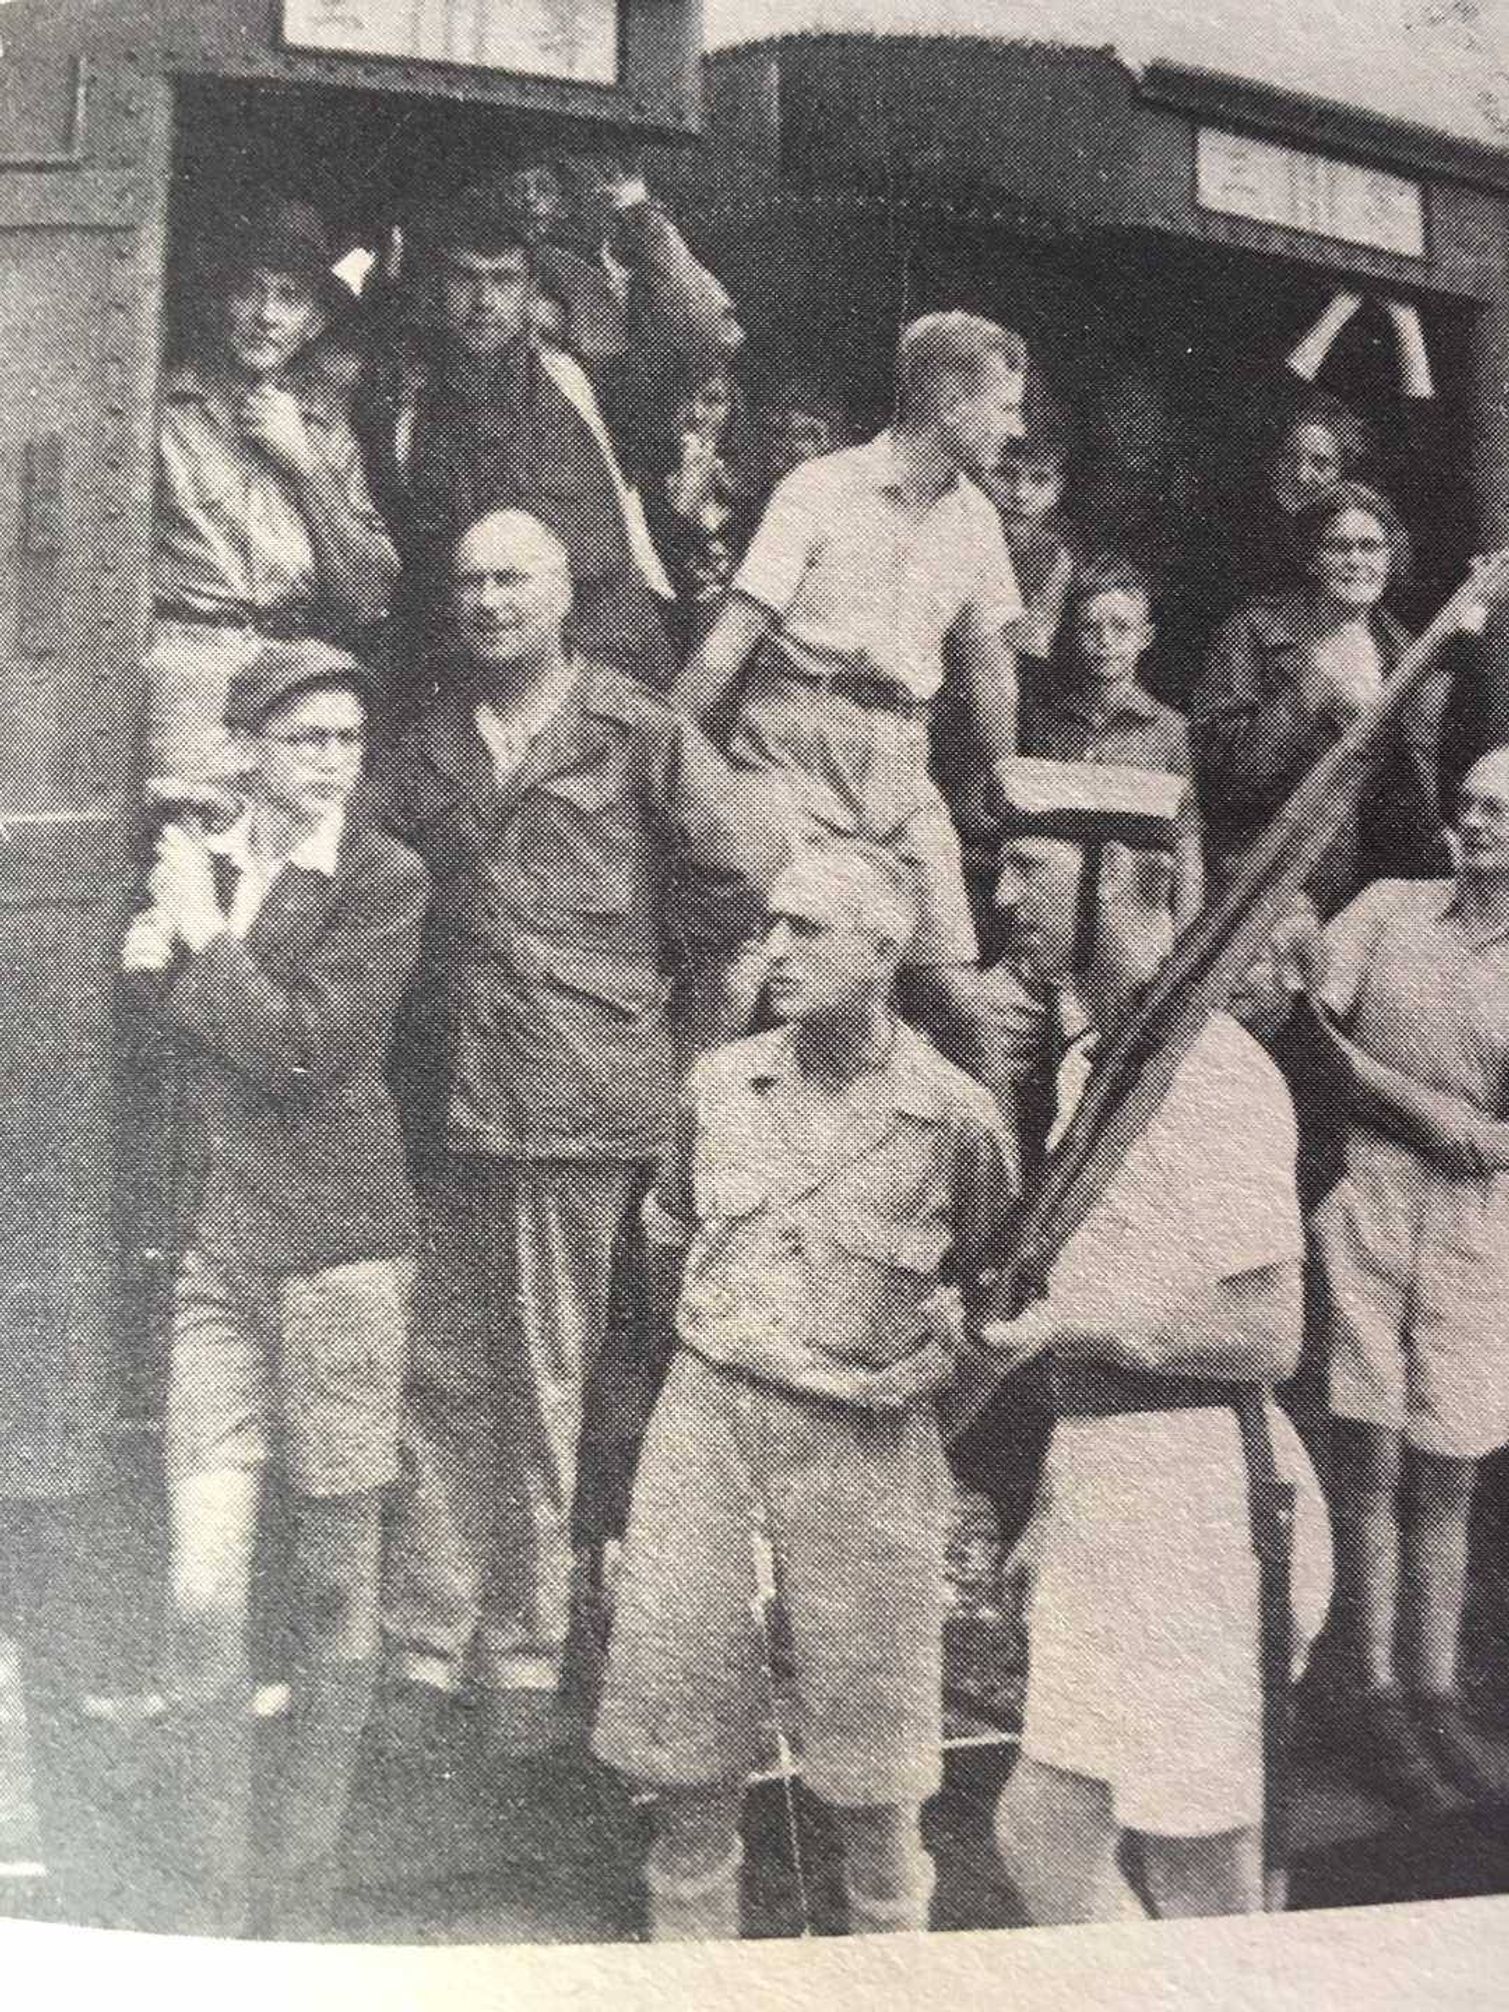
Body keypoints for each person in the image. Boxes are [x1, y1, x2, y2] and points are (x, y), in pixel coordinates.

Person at [367, 509, 779, 1739]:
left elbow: (743, 875)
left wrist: (652, 994)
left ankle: (526, 1656)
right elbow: (364, 858)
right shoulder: (428, 738)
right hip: (445, 1095)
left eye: (513, 579)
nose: (489, 600)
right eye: (471, 581)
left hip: (574, 1095)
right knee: (438, 1378)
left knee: (545, 1383)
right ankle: (425, 1645)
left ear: (561, 597)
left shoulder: (638, 729)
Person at [592, 848, 1016, 1940]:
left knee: (878, 1788)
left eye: (810, 928)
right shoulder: (721, 1085)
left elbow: (992, 1302)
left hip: (864, 1444)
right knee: (686, 1771)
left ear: (883, 951)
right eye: (773, 923)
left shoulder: (955, 1116)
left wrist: (907, 1395)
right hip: (711, 1423)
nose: (776, 949)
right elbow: (664, 1247)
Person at [118, 640, 429, 1936]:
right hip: (221, 1263)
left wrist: (196, 938)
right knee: (202, 1596)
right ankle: (215, 1904)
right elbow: (148, 1040)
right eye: (307, 740)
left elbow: (305, 1056)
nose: (333, 764)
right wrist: (168, 928)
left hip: (344, 1258)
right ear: (245, 748)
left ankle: (297, 1895)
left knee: (336, 1588)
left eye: (349, 740)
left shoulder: (382, 879)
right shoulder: (203, 861)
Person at [983, 796, 1330, 1924]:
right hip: (1108, 1486)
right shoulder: (1097, 1067)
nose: (1001, 899)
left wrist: (1082, 1330)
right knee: (1041, 1836)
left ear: (1120, 879)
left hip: (1200, 1503)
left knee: (1198, 1866)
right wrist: (1053, 1496)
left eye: (1028, 869)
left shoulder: (1217, 1072)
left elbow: (1269, 1330)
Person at [671, 310, 1028, 1109]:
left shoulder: (978, 519)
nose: (1018, 428)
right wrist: (655, 758)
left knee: (966, 1012)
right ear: (947, 402)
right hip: (791, 749)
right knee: (744, 977)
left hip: (902, 762)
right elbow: (728, 647)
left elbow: (992, 677)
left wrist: (1014, 814)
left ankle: (1005, 1222)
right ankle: (670, 1193)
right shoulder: (819, 490)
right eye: (1005, 408)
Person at [1304, 746, 1509, 1812]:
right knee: (1370, 1453)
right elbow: (1315, 1030)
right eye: (1470, 803)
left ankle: (1435, 1696)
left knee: (1449, 1467)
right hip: (1373, 1197)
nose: (1477, 824)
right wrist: (1419, 1104)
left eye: (1501, 811)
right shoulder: (1387, 908)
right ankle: (1372, 1693)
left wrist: (1476, 1133)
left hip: (1482, 1229)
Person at [356, 168, 735, 702]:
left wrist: (637, 211)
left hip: (607, 665)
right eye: (466, 279)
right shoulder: (403, 399)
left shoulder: (579, 380)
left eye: (503, 280)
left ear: (530, 290)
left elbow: (705, 338)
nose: (484, 302)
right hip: (470, 671)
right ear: (441, 287)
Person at [151, 198, 398, 783]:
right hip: (191, 662)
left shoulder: (325, 430)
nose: (266, 316)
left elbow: (371, 594)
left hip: (295, 666)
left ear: (314, 322)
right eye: (251, 292)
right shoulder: (163, 409)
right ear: (222, 302)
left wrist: (305, 466)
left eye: (290, 298)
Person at [1191, 481, 1452, 918]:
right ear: (1312, 559)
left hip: (1373, 881)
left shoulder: (1408, 655)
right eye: (1338, 547)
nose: (1356, 561)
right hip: (1273, 875)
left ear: (1389, 558)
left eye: (1370, 547)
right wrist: (1312, 687)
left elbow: (1415, 790)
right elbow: (1221, 769)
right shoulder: (1255, 632)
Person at [1020, 557, 1204, 931]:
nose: (1105, 642)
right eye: (1091, 627)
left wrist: (1183, 935)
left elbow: (1187, 845)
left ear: (1145, 636)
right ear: (1072, 633)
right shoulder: (1045, 723)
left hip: (1133, 923)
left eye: (1121, 628)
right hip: (1050, 920)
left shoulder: (1168, 730)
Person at [977, 420, 1079, 670]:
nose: (1020, 493)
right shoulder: (964, 535)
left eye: (1039, 480)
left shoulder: (1055, 556)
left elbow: (1032, 644)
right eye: (1007, 474)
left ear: (1057, 490)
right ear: (986, 475)